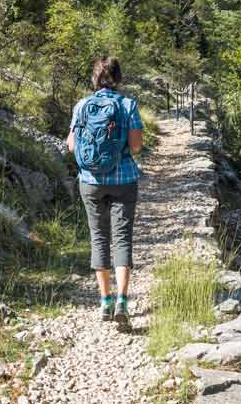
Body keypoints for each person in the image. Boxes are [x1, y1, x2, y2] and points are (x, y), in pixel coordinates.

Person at [66, 56, 144, 329]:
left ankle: (105, 301)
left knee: (99, 238)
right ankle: (122, 301)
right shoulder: (128, 105)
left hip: (90, 181)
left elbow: (72, 146)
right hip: (123, 180)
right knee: (122, 239)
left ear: (95, 78)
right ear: (119, 77)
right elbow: (135, 147)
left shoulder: (82, 105)